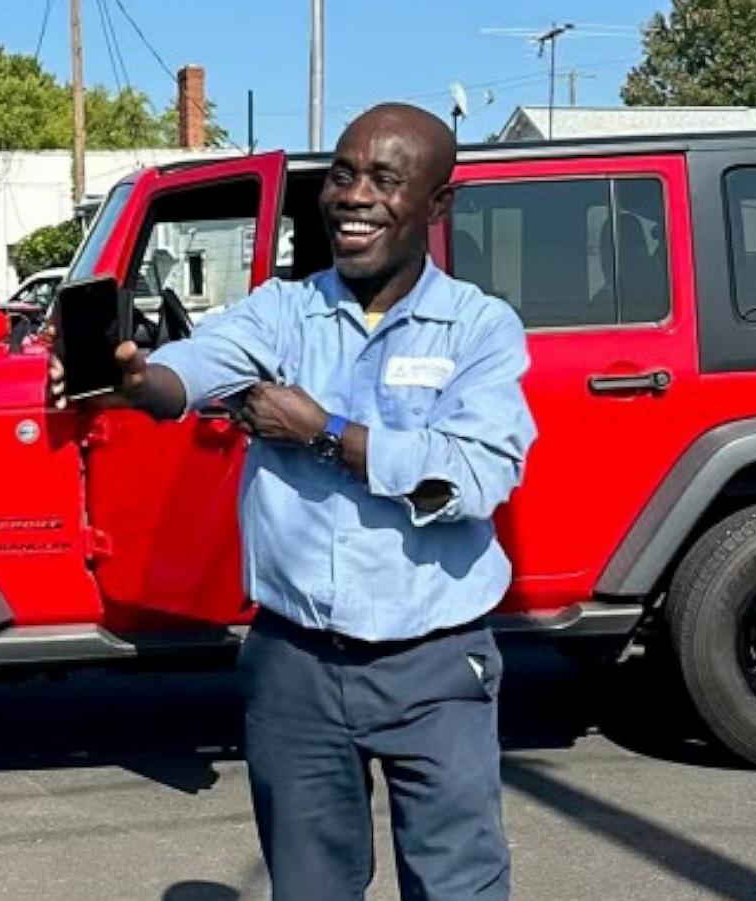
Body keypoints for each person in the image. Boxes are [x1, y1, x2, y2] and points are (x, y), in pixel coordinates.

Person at [49, 103, 535, 900]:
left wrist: (325, 431)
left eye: (385, 179)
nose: (355, 196)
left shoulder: (478, 328)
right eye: (343, 175)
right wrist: (137, 383)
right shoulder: (284, 310)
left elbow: (476, 473)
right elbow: (196, 368)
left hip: (436, 662)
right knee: (310, 887)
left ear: (437, 205)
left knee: (459, 886)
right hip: (296, 665)